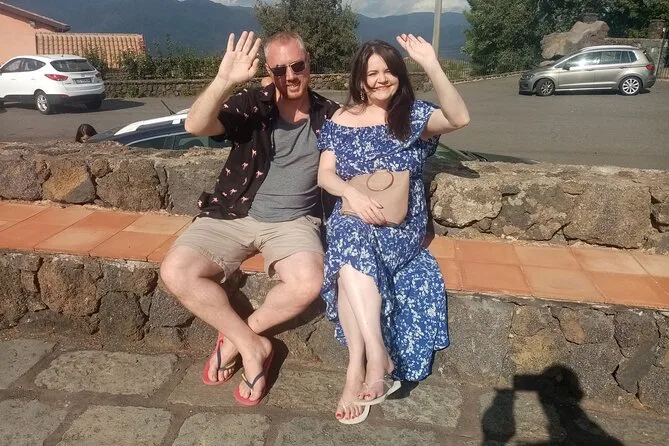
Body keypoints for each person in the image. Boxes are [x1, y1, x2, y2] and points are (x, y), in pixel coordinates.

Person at [160, 30, 339, 406]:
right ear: (269, 73)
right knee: (176, 271)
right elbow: (196, 126)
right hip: (234, 211)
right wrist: (224, 80)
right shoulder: (253, 104)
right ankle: (252, 346)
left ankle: (238, 339)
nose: (290, 76)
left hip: (294, 222)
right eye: (279, 70)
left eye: (297, 66)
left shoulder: (330, 116)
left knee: (309, 282)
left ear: (309, 65)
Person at [316, 35, 470, 424]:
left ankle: (361, 366)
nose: (381, 79)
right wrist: (352, 194)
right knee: (348, 240)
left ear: (399, 75)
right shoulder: (340, 119)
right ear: (360, 79)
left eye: (388, 71)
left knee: (347, 254)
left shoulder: (412, 116)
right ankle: (370, 360)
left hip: (398, 222)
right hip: (354, 212)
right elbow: (325, 175)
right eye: (372, 73)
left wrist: (432, 64)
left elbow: (459, 118)